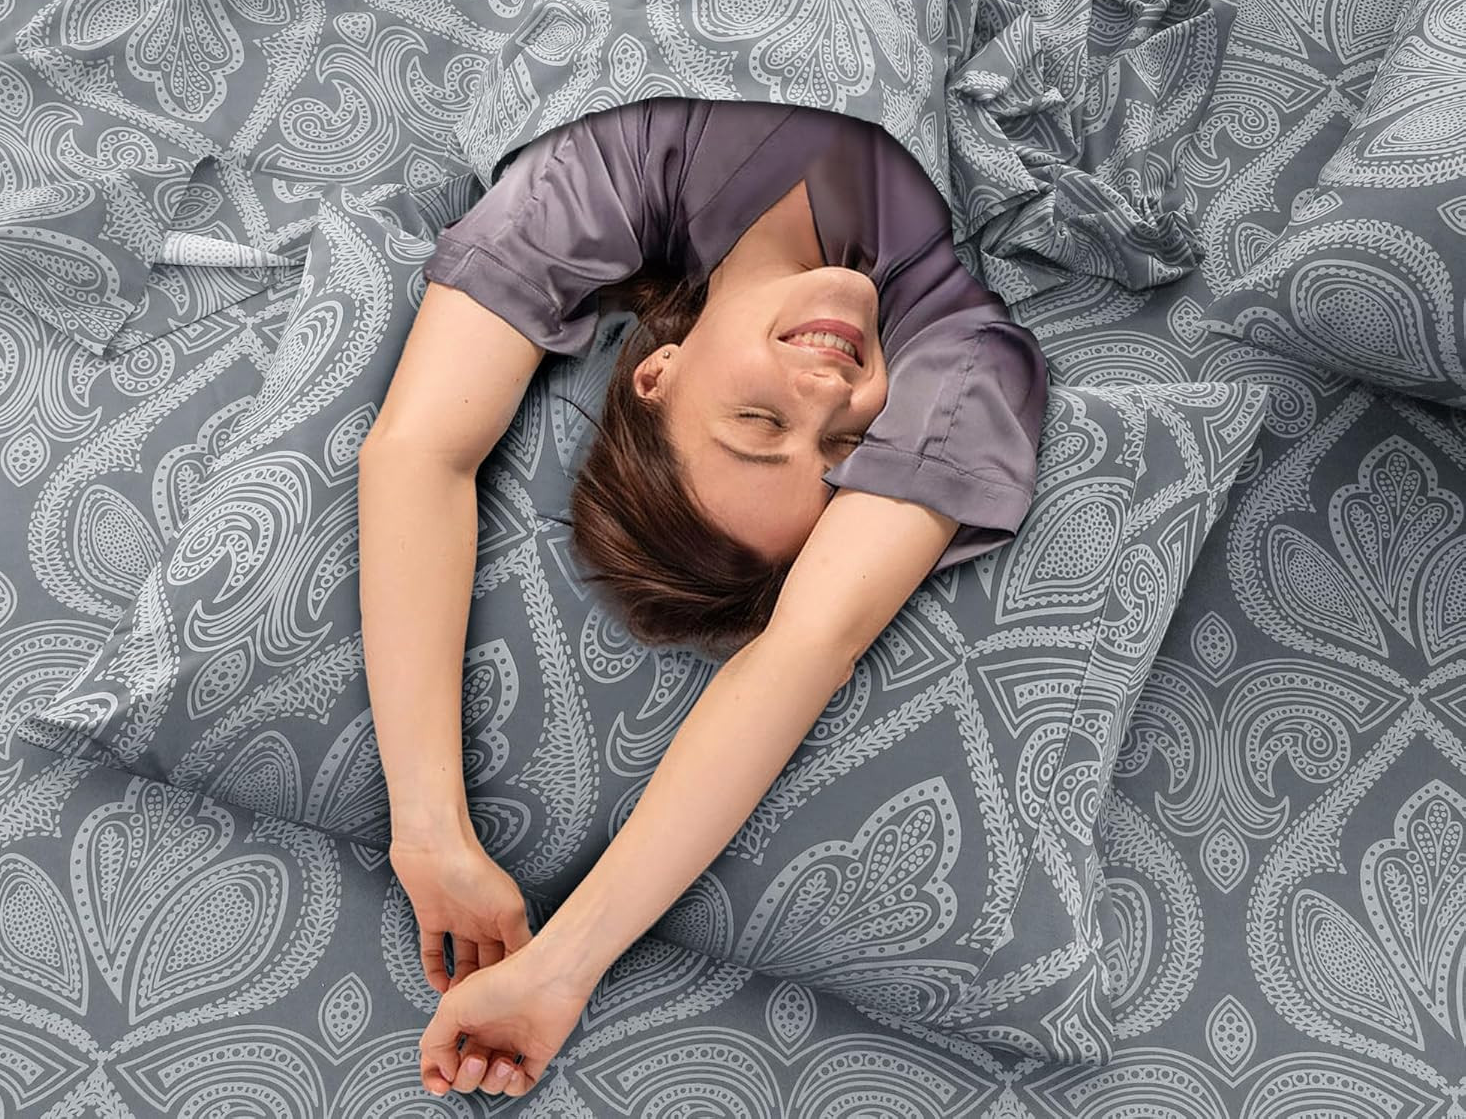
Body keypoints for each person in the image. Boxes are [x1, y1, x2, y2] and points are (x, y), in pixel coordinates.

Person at [357, 95, 1050, 1098]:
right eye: (849, 444)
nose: (828, 394)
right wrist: (562, 968)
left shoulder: (619, 169)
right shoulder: (956, 355)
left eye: (757, 422)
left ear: (658, 373)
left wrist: (429, 830)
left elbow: (422, 450)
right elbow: (809, 643)